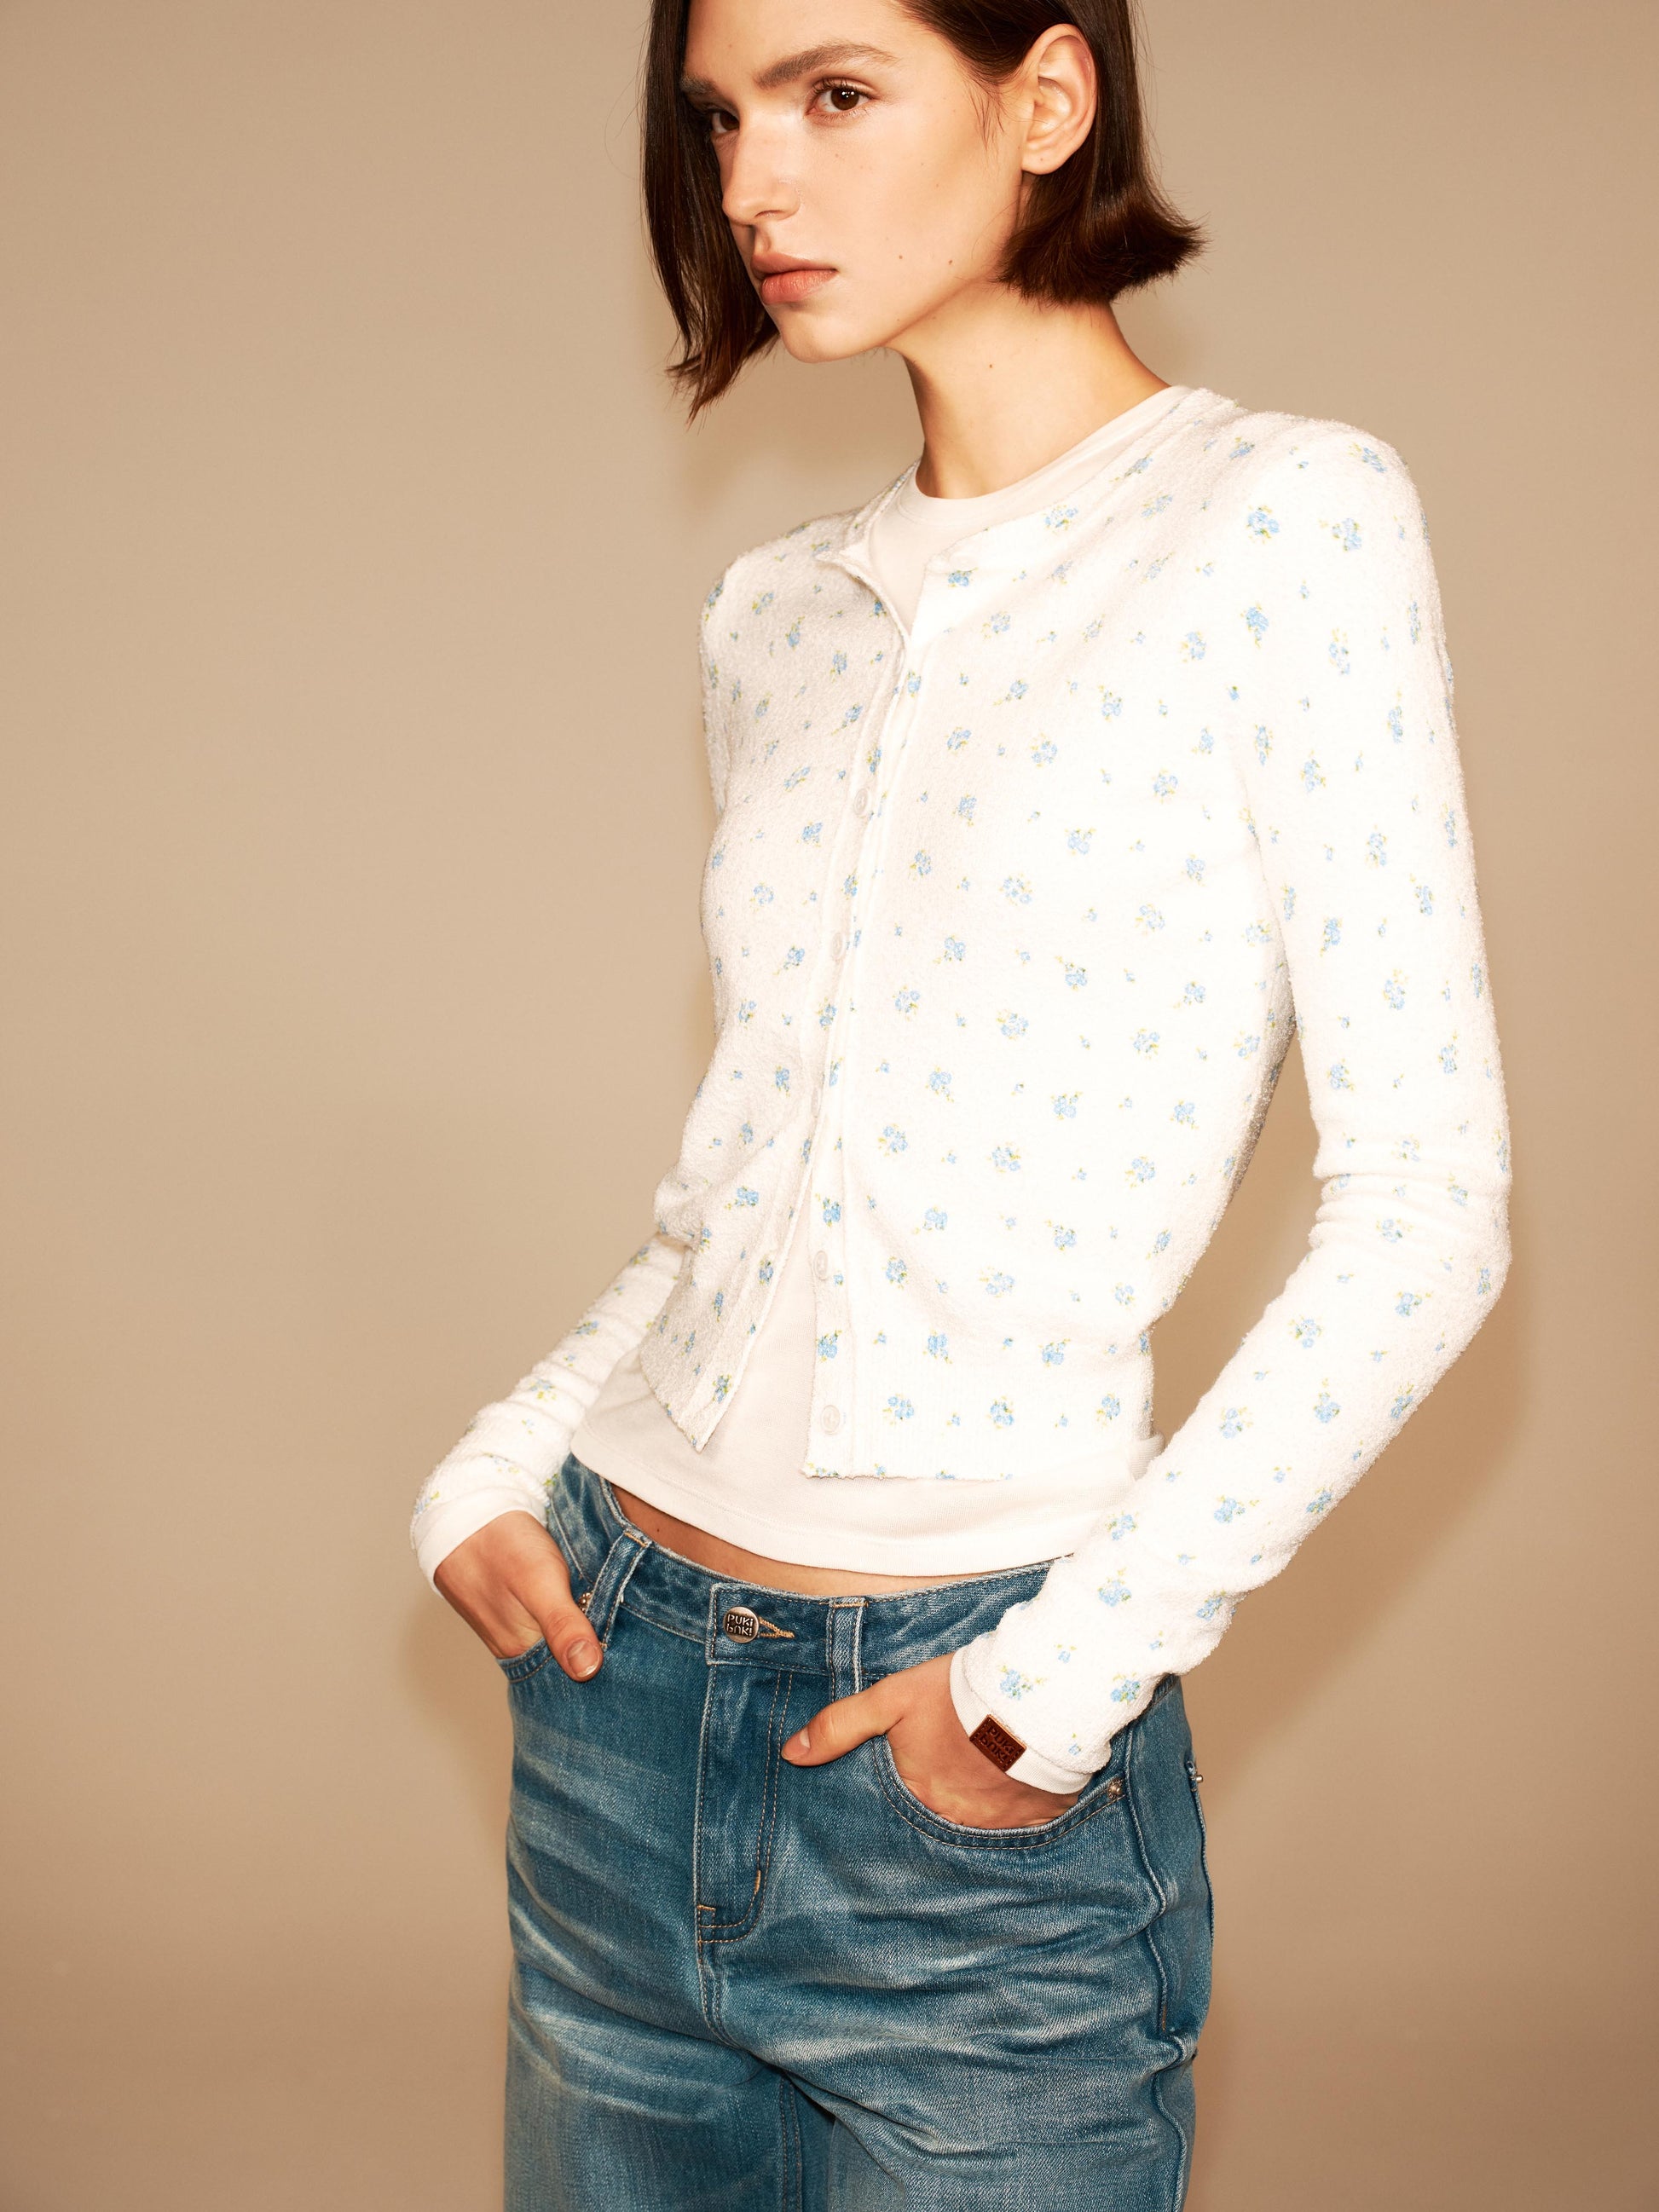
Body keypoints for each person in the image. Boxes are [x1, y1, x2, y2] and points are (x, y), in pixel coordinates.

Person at [410, 2, 1514, 2203]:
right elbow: (752, 1189)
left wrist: (1047, 1689)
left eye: (834, 96)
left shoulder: (1283, 521)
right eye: (721, 115)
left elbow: (1427, 1203)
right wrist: (496, 1458)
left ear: (1046, 99)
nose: (751, 184)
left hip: (964, 1750)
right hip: (618, 1702)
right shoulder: (775, 613)